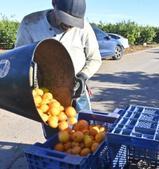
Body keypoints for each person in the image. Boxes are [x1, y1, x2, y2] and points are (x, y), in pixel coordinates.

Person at [15, 0, 102, 138]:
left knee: (86, 132)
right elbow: (20, 60)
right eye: (66, 19)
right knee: (55, 136)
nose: (69, 25)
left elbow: (95, 58)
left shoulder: (84, 28)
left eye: (74, 22)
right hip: (48, 95)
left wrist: (83, 76)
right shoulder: (31, 23)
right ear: (54, 4)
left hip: (77, 91)